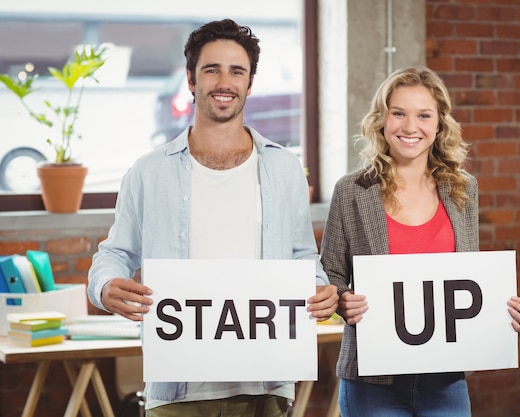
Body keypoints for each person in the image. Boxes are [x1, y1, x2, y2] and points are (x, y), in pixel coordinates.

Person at [87, 19, 338, 417]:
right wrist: (104, 286)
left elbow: (303, 256)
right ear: (191, 79)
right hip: (178, 390)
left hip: (266, 384)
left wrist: (319, 287)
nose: (225, 81)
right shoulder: (148, 171)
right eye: (212, 69)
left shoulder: (285, 169)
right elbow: (114, 253)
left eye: (237, 71)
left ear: (250, 83)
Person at [319, 67, 520, 417]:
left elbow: (466, 278)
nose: (410, 127)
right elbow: (330, 273)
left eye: (423, 115)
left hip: (445, 380)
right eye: (398, 113)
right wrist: (343, 301)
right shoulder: (352, 191)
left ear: (438, 125)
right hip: (373, 381)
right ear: (382, 119)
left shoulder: (462, 188)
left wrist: (502, 308)